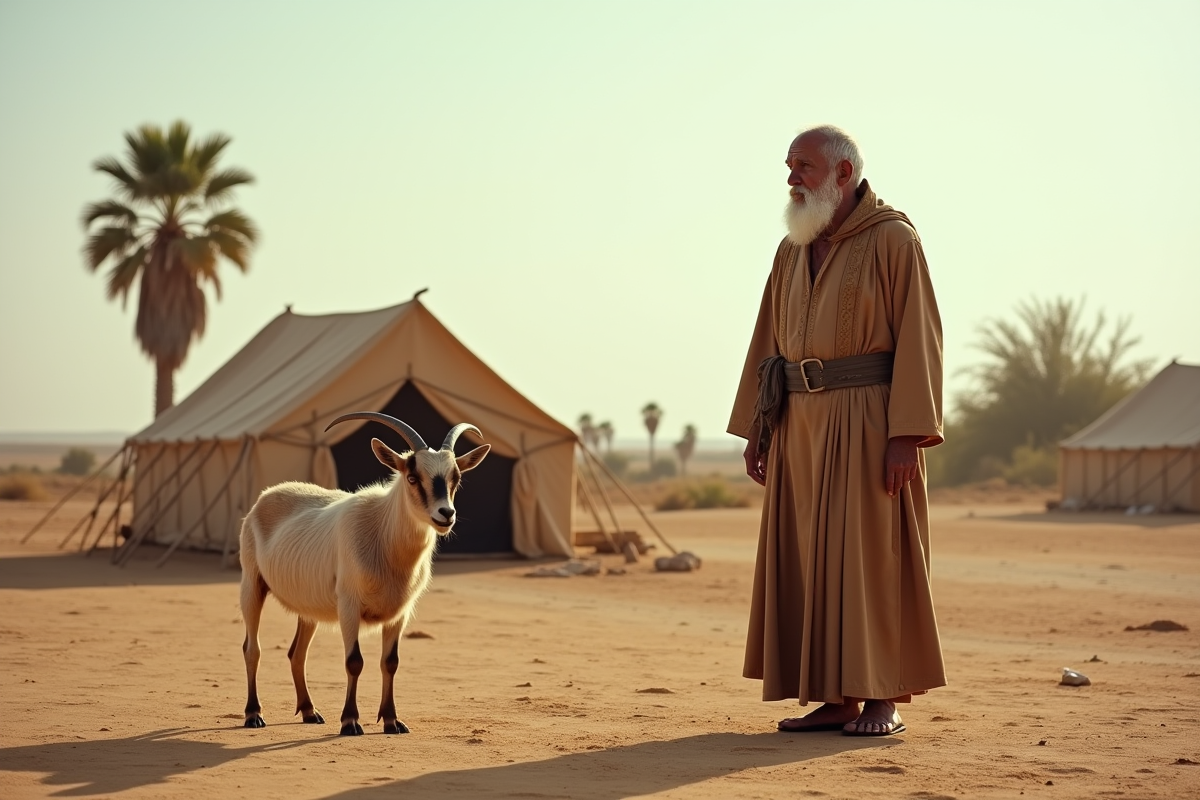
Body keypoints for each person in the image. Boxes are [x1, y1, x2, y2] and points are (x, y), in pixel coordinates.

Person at [727, 125, 946, 737]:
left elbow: (921, 337)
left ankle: (882, 698)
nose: (792, 177)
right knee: (811, 561)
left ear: (844, 174)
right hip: (798, 423)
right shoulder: (790, 248)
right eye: (789, 166)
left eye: (805, 166)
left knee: (873, 558)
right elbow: (765, 343)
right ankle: (835, 697)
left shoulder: (894, 239)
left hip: (871, 420)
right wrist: (757, 428)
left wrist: (908, 434)